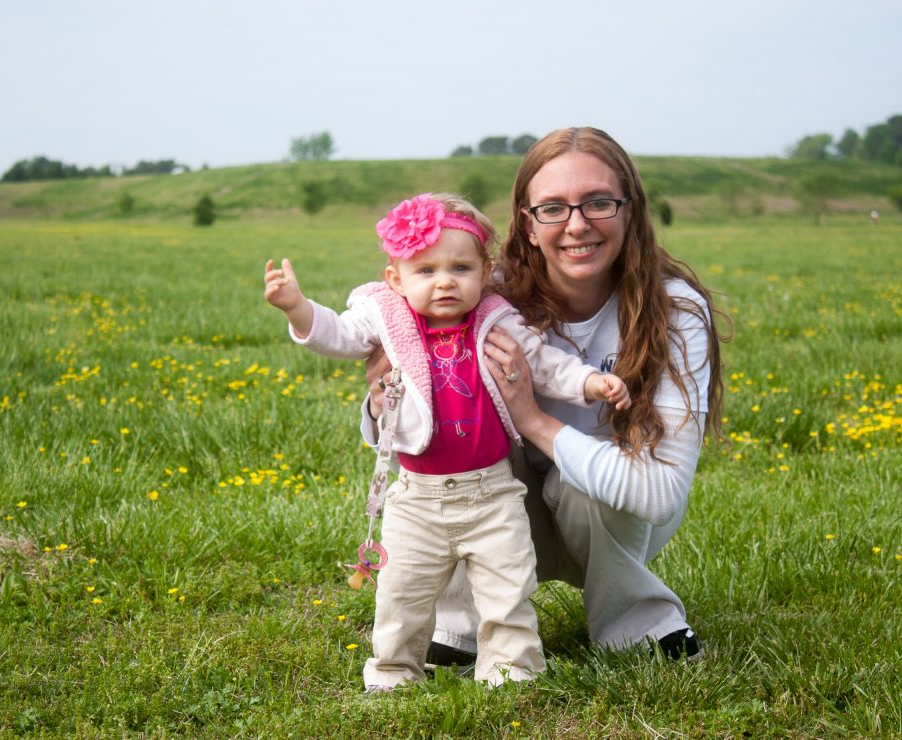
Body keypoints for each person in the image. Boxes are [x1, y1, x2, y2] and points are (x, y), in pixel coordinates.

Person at [365, 128, 726, 665]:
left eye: (599, 202)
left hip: (613, 518)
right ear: (527, 225)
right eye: (552, 208)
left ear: (631, 210)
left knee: (582, 480)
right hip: (503, 503)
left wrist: (533, 419)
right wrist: (382, 392)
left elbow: (659, 494)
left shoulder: (675, 312)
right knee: (465, 453)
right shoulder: (485, 295)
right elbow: (411, 395)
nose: (576, 225)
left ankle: (634, 617)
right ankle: (461, 621)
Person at [264, 192, 630, 690]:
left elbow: (544, 365)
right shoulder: (389, 319)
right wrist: (298, 309)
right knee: (402, 593)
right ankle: (393, 671)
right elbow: (340, 336)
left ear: (484, 272)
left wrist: (589, 382)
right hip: (418, 498)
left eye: (460, 268)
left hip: (493, 492)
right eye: (426, 270)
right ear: (396, 279)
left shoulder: (496, 321)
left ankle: (512, 670)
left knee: (508, 588)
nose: (444, 282)